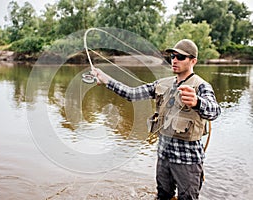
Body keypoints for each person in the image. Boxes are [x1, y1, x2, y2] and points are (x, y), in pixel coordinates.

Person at [91, 39, 221, 200]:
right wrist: (105, 79)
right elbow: (131, 94)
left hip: (188, 160)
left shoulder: (202, 86)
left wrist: (197, 102)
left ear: (193, 61)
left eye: (180, 57)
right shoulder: (162, 83)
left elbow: (215, 112)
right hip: (163, 157)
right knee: (163, 196)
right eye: (172, 56)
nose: (174, 60)